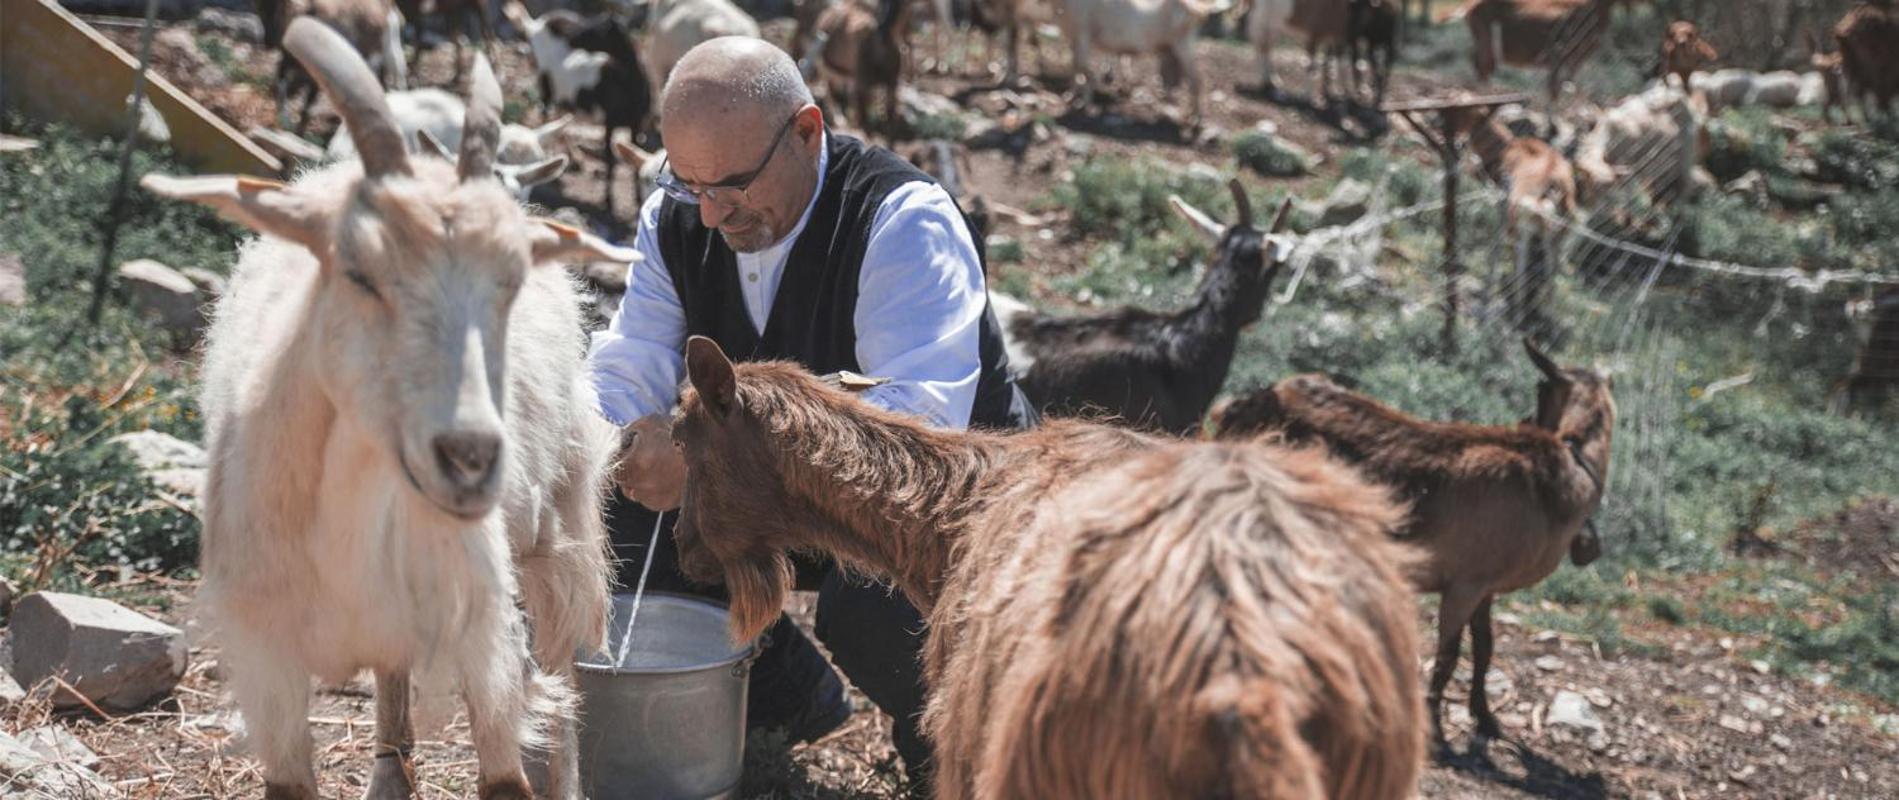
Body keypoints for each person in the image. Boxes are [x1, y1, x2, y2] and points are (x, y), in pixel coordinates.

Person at [586, 36, 1034, 791]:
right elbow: (631, 357)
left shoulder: (900, 220)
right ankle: (783, 699)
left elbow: (914, 431)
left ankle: (960, 759)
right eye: (686, 180)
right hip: (781, 497)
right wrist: (616, 444)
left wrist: (698, 465)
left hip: (935, 513)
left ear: (806, 131)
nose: (709, 212)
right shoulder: (682, 213)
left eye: (729, 183)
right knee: (618, 520)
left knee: (876, 613)